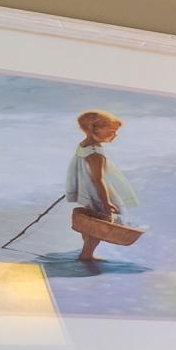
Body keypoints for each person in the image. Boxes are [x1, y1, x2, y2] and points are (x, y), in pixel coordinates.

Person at [67, 109, 143, 266]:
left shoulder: (83, 145)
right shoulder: (95, 153)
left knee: (91, 222)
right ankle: (86, 254)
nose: (114, 136)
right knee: (100, 224)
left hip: (86, 190)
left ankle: (86, 250)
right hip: (98, 192)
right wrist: (107, 201)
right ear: (94, 129)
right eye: (111, 131)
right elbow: (98, 179)